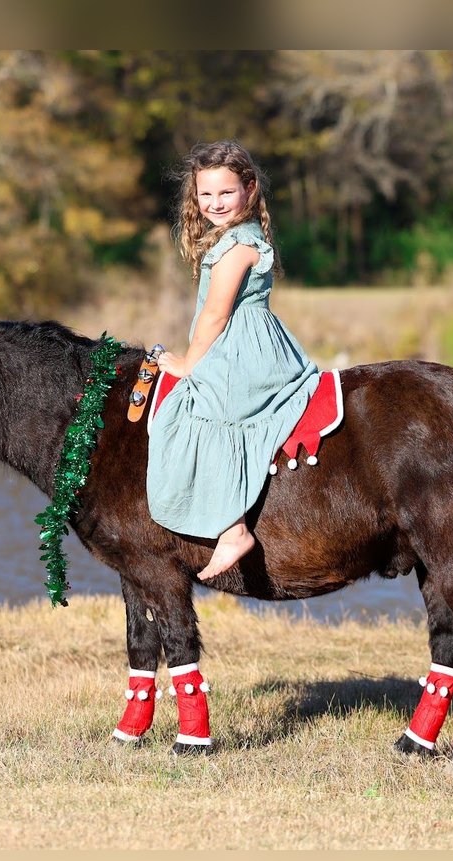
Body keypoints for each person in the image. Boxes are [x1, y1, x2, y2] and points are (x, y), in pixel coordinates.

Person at [147, 140, 320, 580]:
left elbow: (216, 312)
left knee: (210, 409)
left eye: (226, 193)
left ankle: (233, 528)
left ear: (249, 189)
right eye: (206, 194)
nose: (215, 203)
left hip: (241, 347)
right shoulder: (231, 239)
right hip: (237, 340)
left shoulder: (239, 244)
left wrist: (188, 364)